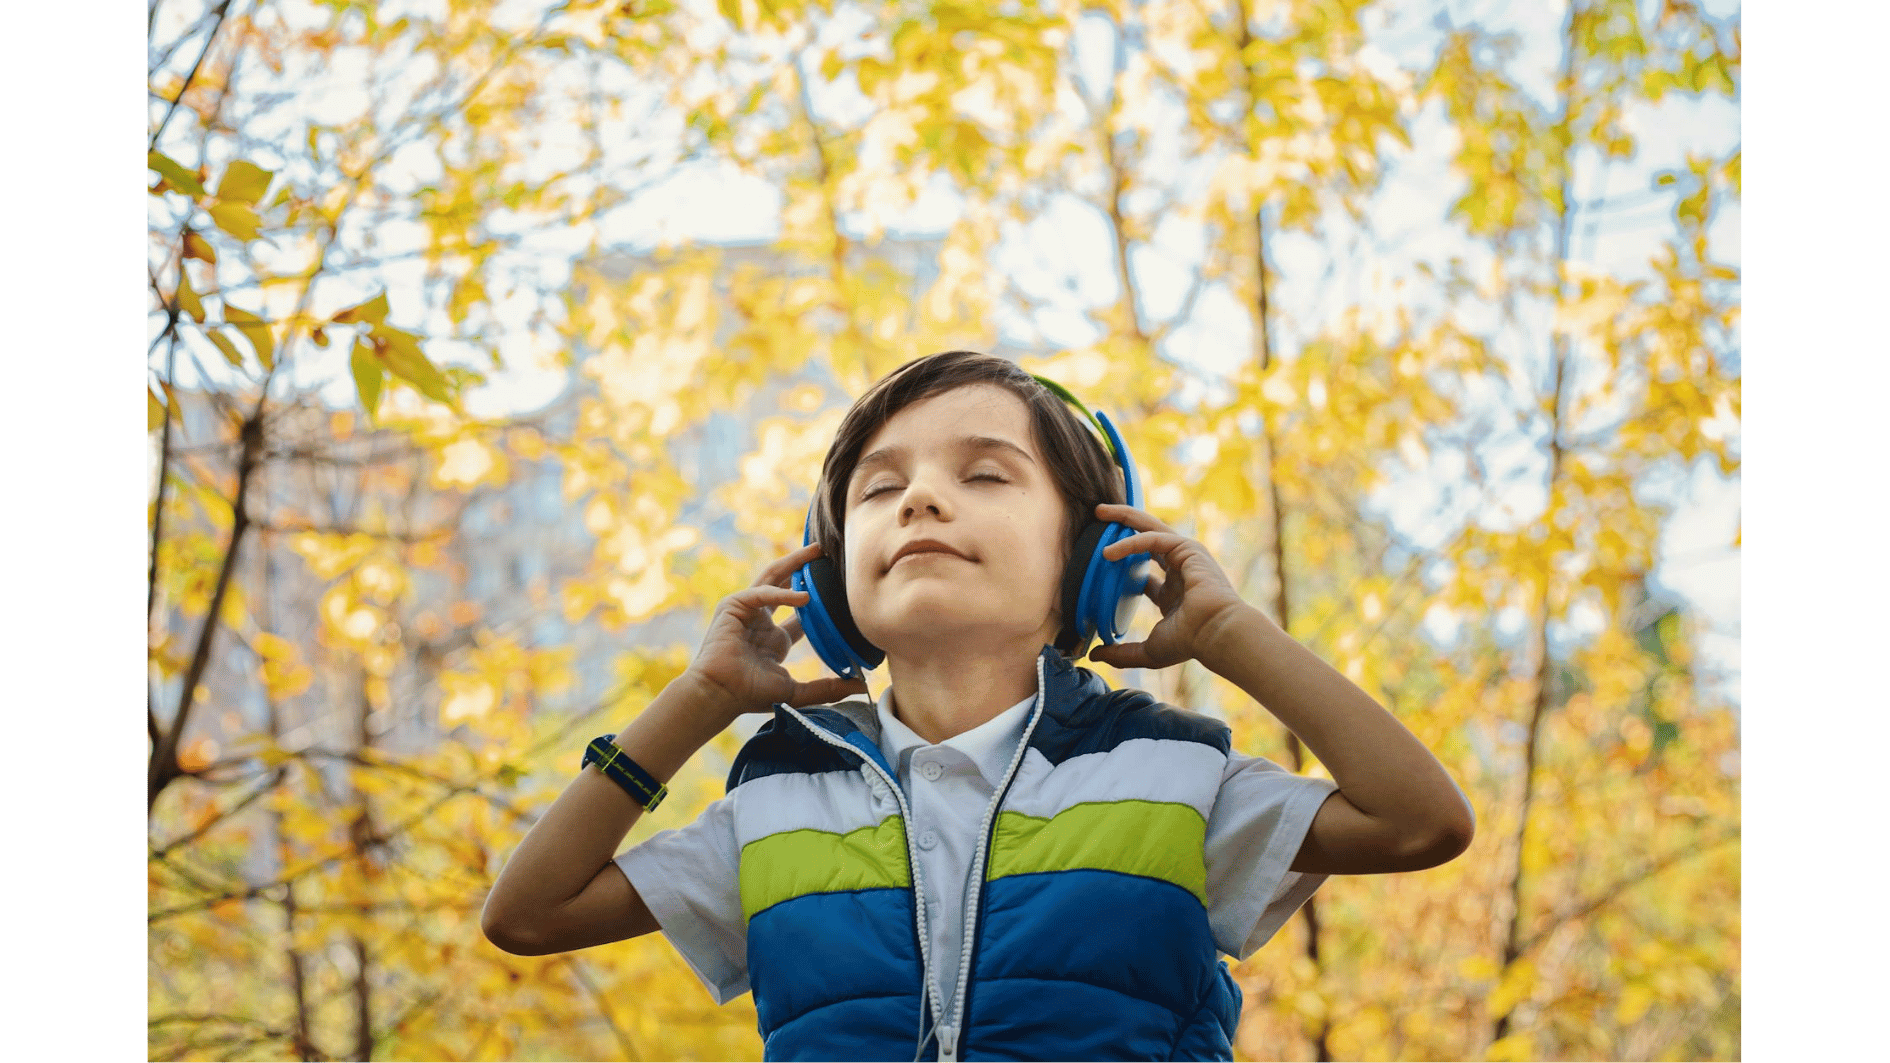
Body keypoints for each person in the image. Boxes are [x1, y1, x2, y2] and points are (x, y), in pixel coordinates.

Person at [481, 350, 1476, 1062]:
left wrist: (1228, 633)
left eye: (984, 473)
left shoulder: (1170, 780)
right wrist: (699, 701)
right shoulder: (776, 808)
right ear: (830, 588)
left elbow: (1419, 819)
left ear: (1087, 562)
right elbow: (528, 911)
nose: (919, 500)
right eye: (880, 489)